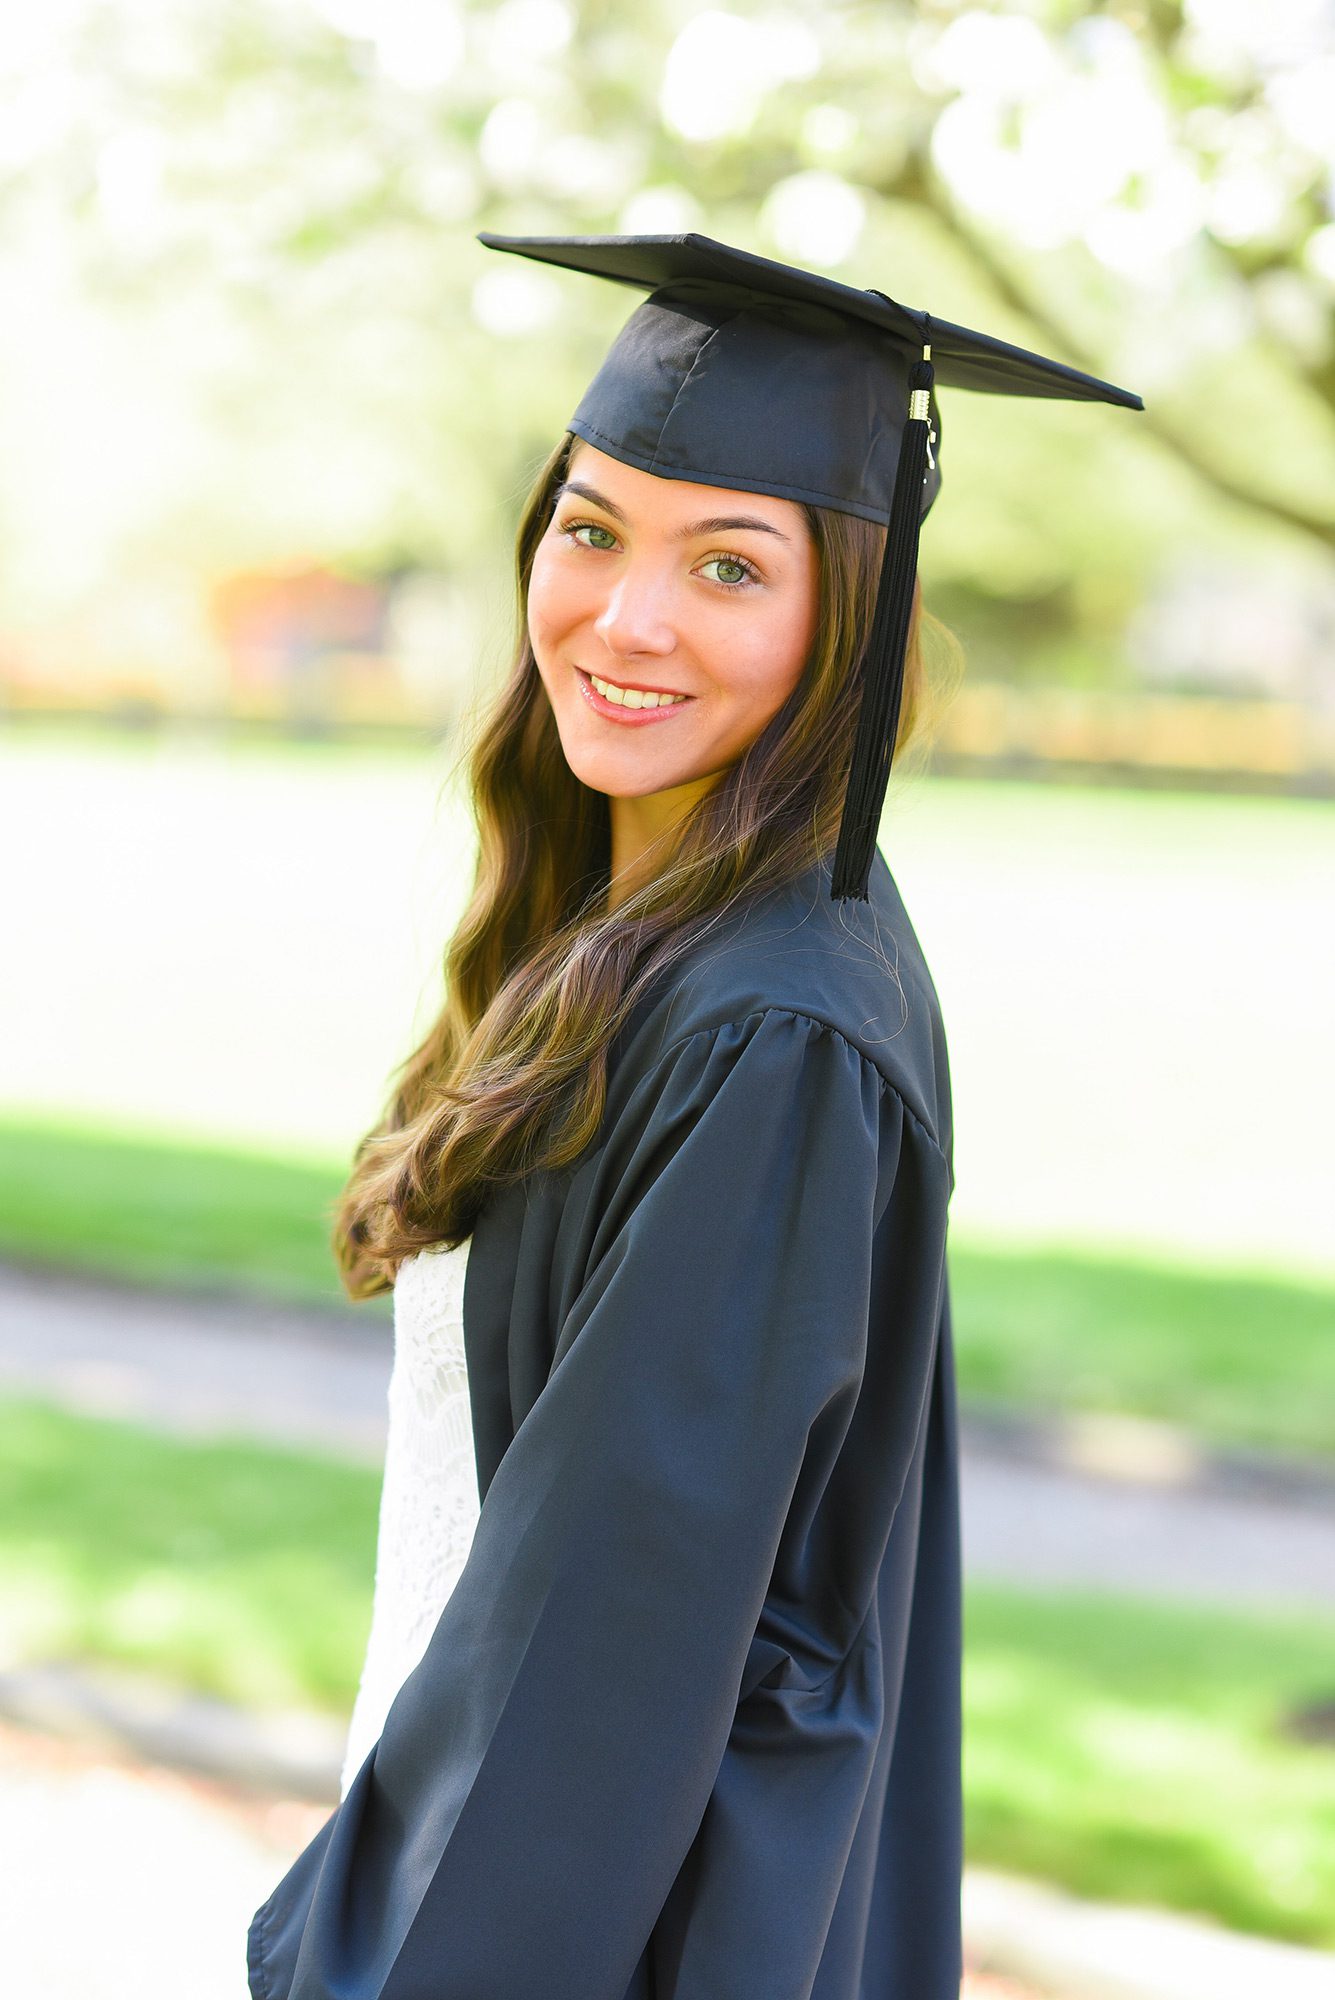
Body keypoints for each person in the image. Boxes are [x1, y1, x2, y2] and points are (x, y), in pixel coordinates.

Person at [247, 231, 1142, 2000]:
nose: (627, 619)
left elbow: (601, 1668)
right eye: (592, 530)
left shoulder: (773, 1035)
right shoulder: (658, 947)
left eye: (730, 564)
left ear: (849, 620)